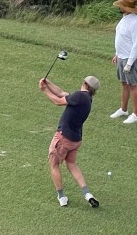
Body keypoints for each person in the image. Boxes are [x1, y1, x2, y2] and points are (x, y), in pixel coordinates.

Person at [39, 73, 101, 208]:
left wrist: (44, 91)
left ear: (85, 84)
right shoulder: (87, 99)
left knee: (54, 165)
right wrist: (48, 83)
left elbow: (57, 101)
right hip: (75, 139)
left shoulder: (79, 96)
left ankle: (61, 197)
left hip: (63, 138)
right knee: (72, 164)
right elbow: (61, 93)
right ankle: (87, 194)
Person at [110, 0, 137, 124]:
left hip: (130, 59)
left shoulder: (135, 22)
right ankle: (123, 109)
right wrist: (117, 54)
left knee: (133, 85)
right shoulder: (124, 18)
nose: (120, 7)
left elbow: (136, 44)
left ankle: (136, 114)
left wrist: (129, 63)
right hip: (121, 57)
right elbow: (122, 39)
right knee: (124, 83)